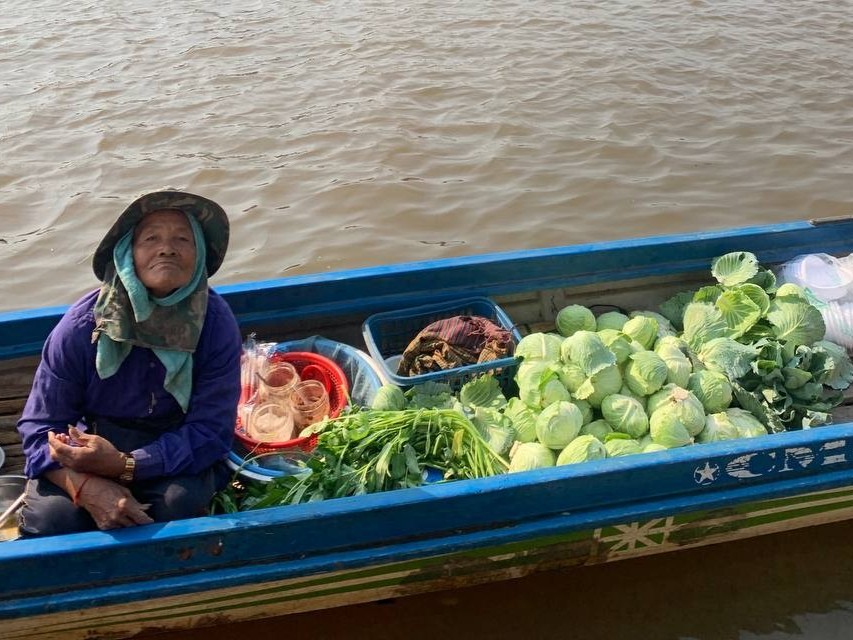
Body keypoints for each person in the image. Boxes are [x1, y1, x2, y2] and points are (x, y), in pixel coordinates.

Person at [16, 190, 242, 537]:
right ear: (127, 254)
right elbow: (40, 428)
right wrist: (88, 486)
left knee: (175, 506)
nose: (167, 249)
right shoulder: (81, 327)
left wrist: (127, 465)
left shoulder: (214, 324)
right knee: (55, 520)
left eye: (182, 239)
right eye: (151, 238)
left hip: (174, 445)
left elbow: (210, 432)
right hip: (90, 444)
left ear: (198, 256)